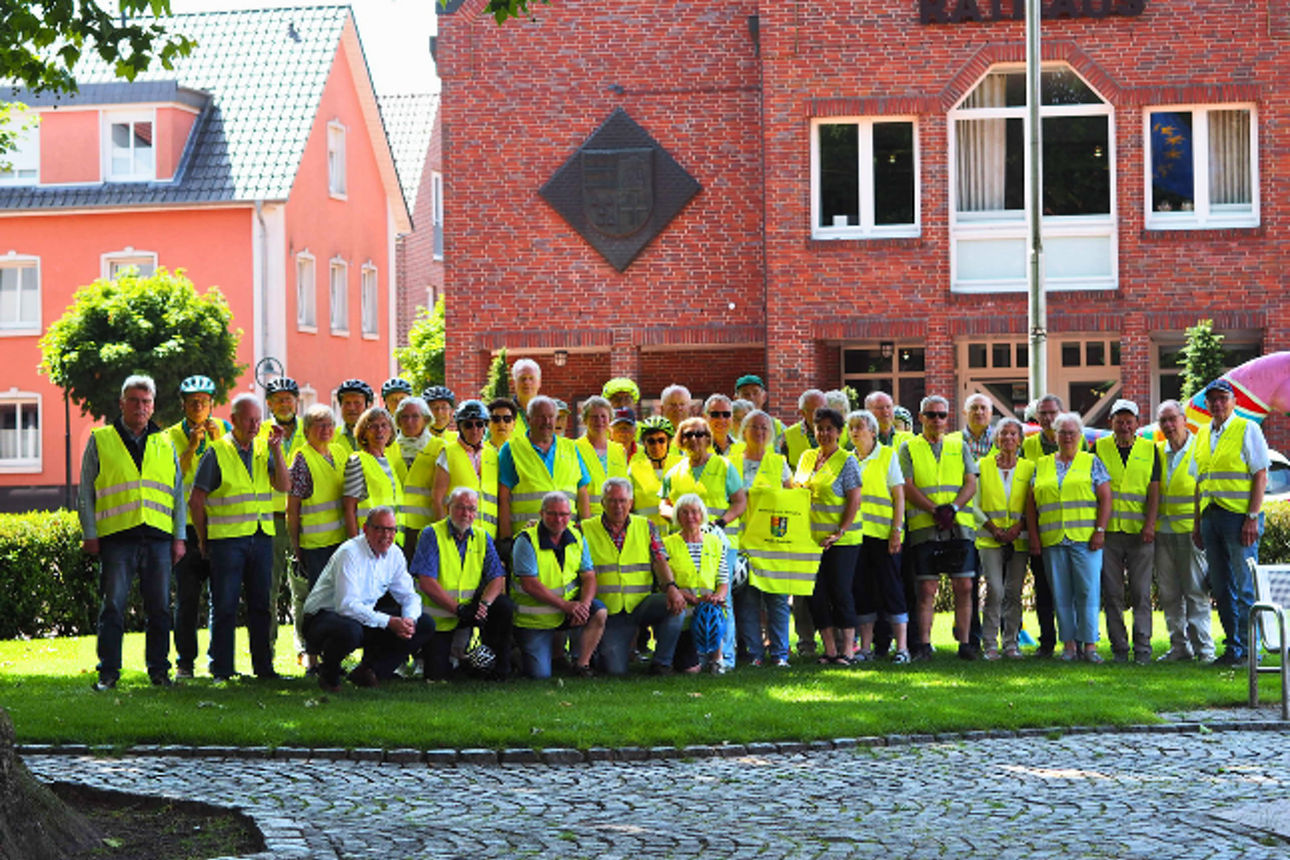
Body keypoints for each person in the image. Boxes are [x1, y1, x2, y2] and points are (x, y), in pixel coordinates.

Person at [79, 374, 185, 690]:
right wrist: (90, 532)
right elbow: (85, 490)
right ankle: (108, 673)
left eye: (146, 402)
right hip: (116, 538)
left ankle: (159, 671)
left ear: (153, 407)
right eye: (135, 401)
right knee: (112, 606)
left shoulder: (166, 442)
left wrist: (179, 537)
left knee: (160, 609)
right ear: (122, 403)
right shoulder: (101, 439)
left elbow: (178, 493)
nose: (140, 407)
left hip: (158, 537)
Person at [189, 392, 290, 681]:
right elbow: (197, 500)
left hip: (261, 538)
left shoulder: (264, 449)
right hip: (227, 541)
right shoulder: (217, 451)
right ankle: (221, 667)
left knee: (262, 605)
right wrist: (203, 538)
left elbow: (283, 486)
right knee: (224, 604)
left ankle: (264, 668)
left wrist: (278, 451)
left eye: (259, 420)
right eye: (249, 420)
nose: (255, 426)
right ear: (233, 420)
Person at [302, 507, 435, 692]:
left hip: (359, 616)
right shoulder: (350, 553)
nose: (386, 535)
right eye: (379, 529)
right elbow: (346, 606)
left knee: (425, 624)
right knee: (350, 630)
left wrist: (409, 620)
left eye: (391, 530)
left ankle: (369, 672)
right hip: (322, 617)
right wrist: (389, 622)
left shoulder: (395, 554)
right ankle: (329, 675)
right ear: (365, 529)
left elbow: (409, 596)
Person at [1191, 378, 1269, 666]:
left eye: (1223, 398)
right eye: (1213, 399)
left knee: (1245, 585)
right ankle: (1233, 648)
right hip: (1211, 517)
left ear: (1234, 402)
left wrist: (1252, 517)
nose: (1218, 404)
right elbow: (1199, 482)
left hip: (1239, 518)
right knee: (1222, 587)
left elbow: (1260, 474)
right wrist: (1197, 523)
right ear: (1207, 403)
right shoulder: (1201, 434)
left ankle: (1251, 650)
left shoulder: (1247, 428)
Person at [1028, 412, 1112, 663]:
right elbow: (1031, 505)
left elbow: (1106, 498)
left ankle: (1090, 645)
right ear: (1054, 435)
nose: (1067, 437)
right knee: (1061, 594)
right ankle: (1069, 646)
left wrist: (1100, 530)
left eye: (1072, 433)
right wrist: (1034, 536)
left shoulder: (1091, 462)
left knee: (1088, 591)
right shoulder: (1042, 464)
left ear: (1080, 435)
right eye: (1062, 432)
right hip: (1053, 538)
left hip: (1085, 538)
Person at [902, 395, 979, 661]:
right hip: (925, 525)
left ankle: (966, 643)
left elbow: (971, 483)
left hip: (959, 527)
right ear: (921, 417)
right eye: (931, 414)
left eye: (942, 415)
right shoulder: (909, 447)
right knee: (926, 588)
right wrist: (934, 510)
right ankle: (923, 645)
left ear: (948, 418)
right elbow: (907, 486)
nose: (937, 420)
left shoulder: (960, 446)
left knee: (965, 585)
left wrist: (953, 508)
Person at [581, 478, 685, 675]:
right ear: (602, 503)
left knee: (676, 605)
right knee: (614, 671)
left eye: (622, 501)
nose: (617, 506)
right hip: (609, 612)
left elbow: (660, 559)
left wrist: (671, 587)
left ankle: (662, 663)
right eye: (612, 501)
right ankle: (599, 654)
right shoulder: (585, 528)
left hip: (641, 604)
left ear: (631, 503)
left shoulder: (646, 525)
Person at [410, 487, 515, 680]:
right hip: (440, 617)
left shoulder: (482, 537)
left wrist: (484, 605)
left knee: (503, 606)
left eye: (472, 509)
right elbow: (426, 582)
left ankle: (499, 668)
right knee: (438, 674)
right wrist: (457, 609)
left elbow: (497, 577)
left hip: (470, 610)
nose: (466, 514)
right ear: (448, 507)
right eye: (460, 507)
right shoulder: (431, 534)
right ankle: (443, 658)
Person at [166, 374, 231, 680]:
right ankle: (185, 662)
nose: (198, 408)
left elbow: (232, 467)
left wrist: (217, 441)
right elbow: (171, 477)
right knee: (188, 599)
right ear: (183, 405)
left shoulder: (227, 432)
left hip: (220, 526)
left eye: (203, 403)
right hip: (188, 529)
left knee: (222, 599)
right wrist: (192, 447)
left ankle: (219, 663)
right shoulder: (169, 436)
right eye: (192, 403)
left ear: (212, 404)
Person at [510, 492, 607, 678]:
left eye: (564, 514)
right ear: (541, 513)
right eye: (552, 514)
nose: (558, 519)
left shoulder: (577, 537)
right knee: (540, 675)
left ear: (570, 515)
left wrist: (585, 606)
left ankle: (582, 665)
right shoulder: (526, 540)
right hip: (534, 619)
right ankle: (518, 653)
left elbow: (589, 577)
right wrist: (567, 606)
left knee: (599, 611)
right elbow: (530, 585)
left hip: (566, 612)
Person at [793, 407, 863, 665]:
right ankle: (829, 650)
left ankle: (848, 650)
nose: (823, 433)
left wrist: (840, 531)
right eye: (819, 428)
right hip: (811, 541)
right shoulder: (806, 458)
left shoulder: (847, 460)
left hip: (842, 540)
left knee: (840, 592)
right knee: (817, 594)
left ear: (839, 432)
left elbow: (854, 500)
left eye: (829, 429)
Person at [1095, 398, 1160, 664]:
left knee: (1141, 592)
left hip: (1139, 533)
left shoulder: (1149, 449)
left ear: (1137, 423)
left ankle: (1143, 648)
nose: (1124, 426)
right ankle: (1119, 647)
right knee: (1112, 593)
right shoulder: (1098, 448)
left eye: (1128, 421)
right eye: (1119, 421)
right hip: (1109, 533)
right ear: (1111, 422)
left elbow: (1155, 491)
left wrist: (1150, 524)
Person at [285, 404, 347, 674]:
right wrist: (296, 544)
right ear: (307, 430)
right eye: (319, 425)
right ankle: (312, 658)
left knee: (338, 602)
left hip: (341, 542)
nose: (326, 430)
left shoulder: (341, 452)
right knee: (316, 603)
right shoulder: (302, 458)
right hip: (316, 544)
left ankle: (332, 657)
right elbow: (293, 506)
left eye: (330, 424)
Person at [732, 409, 794, 666]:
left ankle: (780, 653)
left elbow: (792, 500)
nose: (759, 432)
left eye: (764, 428)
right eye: (754, 427)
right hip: (742, 539)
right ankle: (754, 653)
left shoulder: (779, 463)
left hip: (773, 542)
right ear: (743, 431)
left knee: (777, 598)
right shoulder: (730, 461)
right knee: (748, 599)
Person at [846, 409, 909, 663]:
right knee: (863, 591)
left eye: (860, 426)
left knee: (891, 589)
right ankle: (866, 648)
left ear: (873, 431)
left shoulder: (887, 455)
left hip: (883, 535)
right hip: (856, 537)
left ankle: (902, 648)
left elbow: (899, 495)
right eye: (851, 427)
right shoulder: (847, 460)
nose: (854, 431)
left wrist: (897, 530)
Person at [1154, 399, 1215, 662]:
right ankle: (1179, 646)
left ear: (1183, 418)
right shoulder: (1156, 451)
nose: (1169, 425)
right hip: (1162, 532)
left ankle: (1204, 649)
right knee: (1168, 593)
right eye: (1163, 421)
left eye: (1172, 419)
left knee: (1195, 592)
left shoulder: (1200, 447)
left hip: (1191, 532)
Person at [974, 417, 1035, 660]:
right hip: (990, 538)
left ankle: (1011, 643)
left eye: (1013, 434)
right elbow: (974, 504)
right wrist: (994, 528)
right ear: (995, 439)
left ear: (1020, 439)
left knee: (1013, 592)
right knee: (995, 591)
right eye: (1003, 434)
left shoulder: (1029, 467)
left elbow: (1032, 504)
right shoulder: (982, 465)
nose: (1008, 438)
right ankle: (989, 643)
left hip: (1019, 539)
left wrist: (1019, 526)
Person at [259, 376, 308, 664]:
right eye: (278, 399)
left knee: (304, 588)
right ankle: (267, 651)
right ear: (269, 404)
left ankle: (306, 648)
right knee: (268, 589)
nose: (284, 403)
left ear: (296, 402)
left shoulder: (311, 431)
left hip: (304, 521)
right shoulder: (260, 433)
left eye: (289, 398)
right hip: (272, 521)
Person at [497, 395, 591, 539]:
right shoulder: (511, 449)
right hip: (527, 537)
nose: (547, 422)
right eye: (540, 417)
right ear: (528, 419)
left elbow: (582, 491)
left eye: (551, 417)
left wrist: (586, 532)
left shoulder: (571, 448)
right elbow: (503, 497)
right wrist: (506, 539)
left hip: (567, 537)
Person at [1018, 393, 1066, 657]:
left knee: (1071, 589)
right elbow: (1026, 491)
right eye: (1043, 414)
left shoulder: (1078, 441)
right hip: (1041, 526)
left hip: (1074, 528)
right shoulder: (1028, 446)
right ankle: (1047, 640)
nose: (1048, 419)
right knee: (1044, 587)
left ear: (1061, 412)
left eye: (1052, 413)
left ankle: (1076, 640)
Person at [663, 493, 732, 673]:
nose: (690, 517)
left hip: (709, 610)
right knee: (690, 671)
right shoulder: (668, 544)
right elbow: (665, 582)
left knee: (714, 612)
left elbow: (723, 580)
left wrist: (718, 597)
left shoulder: (715, 542)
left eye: (695, 512)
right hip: (683, 611)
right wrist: (693, 599)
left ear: (702, 515)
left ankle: (717, 659)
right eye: (684, 512)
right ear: (678, 516)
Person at [431, 400, 500, 538]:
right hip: (457, 533)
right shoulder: (448, 453)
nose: (474, 430)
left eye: (479, 424)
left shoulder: (493, 454)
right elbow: (437, 499)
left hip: (487, 535)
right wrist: (444, 535)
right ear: (460, 427)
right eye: (468, 425)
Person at [395, 397, 447, 556]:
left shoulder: (439, 447)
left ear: (425, 419)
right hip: (395, 527)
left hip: (426, 526)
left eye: (415, 416)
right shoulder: (389, 447)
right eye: (404, 416)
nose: (409, 421)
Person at [341, 408, 403, 540]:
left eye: (384, 425)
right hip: (369, 541)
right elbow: (349, 507)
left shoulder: (388, 461)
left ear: (391, 430)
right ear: (364, 433)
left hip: (391, 539)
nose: (379, 430)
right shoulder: (357, 461)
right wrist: (355, 544)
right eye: (373, 426)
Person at [575, 396, 629, 517]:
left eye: (603, 416)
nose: (599, 421)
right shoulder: (574, 448)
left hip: (618, 519)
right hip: (589, 518)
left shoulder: (619, 450)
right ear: (584, 420)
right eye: (594, 417)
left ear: (610, 419)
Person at [628, 415, 680, 531]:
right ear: (644, 443)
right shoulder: (634, 469)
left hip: (678, 538)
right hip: (646, 539)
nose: (656, 446)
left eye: (661, 440)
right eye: (651, 441)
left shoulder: (682, 465)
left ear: (669, 442)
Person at [735, 374, 785, 448]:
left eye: (755, 393)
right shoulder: (727, 425)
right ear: (736, 398)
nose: (751, 397)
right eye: (746, 394)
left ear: (764, 396)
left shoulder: (777, 426)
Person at [781, 389, 826, 469]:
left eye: (825, 409)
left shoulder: (838, 430)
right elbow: (782, 470)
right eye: (816, 411)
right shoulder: (788, 436)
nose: (823, 414)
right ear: (802, 413)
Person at [332, 378, 374, 457]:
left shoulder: (380, 436)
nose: (351, 408)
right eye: (347, 403)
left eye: (357, 403)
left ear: (368, 406)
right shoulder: (331, 437)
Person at [954, 392, 996, 459]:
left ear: (991, 413)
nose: (979, 412)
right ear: (965, 413)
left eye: (983, 408)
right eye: (974, 408)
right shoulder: (951, 440)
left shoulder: (1002, 439)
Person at [510, 358, 543, 436]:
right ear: (513, 382)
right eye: (522, 378)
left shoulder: (549, 412)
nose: (527, 383)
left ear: (539, 382)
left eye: (531, 378)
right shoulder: (503, 414)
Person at [658, 384, 694, 455]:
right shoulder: (654, 438)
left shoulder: (700, 436)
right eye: (673, 405)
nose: (678, 408)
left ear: (690, 408)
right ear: (662, 409)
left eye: (682, 404)